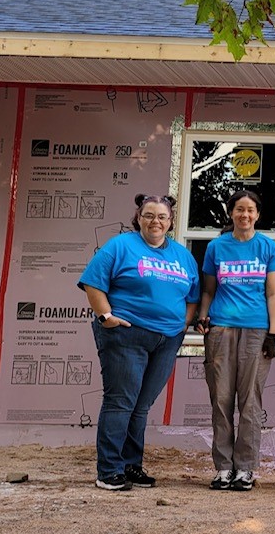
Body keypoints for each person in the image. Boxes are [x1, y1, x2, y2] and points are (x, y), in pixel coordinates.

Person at [78, 193, 199, 491]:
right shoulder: (121, 246)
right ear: (138, 217)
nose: (155, 221)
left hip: (167, 339)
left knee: (141, 405)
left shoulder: (183, 255)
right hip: (125, 335)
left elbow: (193, 296)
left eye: (161, 216)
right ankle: (109, 470)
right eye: (149, 215)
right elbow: (93, 282)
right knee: (121, 401)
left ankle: (132, 466)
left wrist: (181, 327)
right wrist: (106, 316)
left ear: (170, 221)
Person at [194, 190, 275, 491]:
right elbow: (207, 290)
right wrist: (203, 316)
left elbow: (273, 293)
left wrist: (273, 333)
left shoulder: (269, 248)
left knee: (250, 401)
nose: (244, 215)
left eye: (250, 210)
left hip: (256, 330)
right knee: (220, 399)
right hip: (221, 328)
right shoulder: (217, 247)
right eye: (239, 209)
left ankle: (245, 468)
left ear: (258, 214)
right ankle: (223, 467)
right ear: (231, 213)